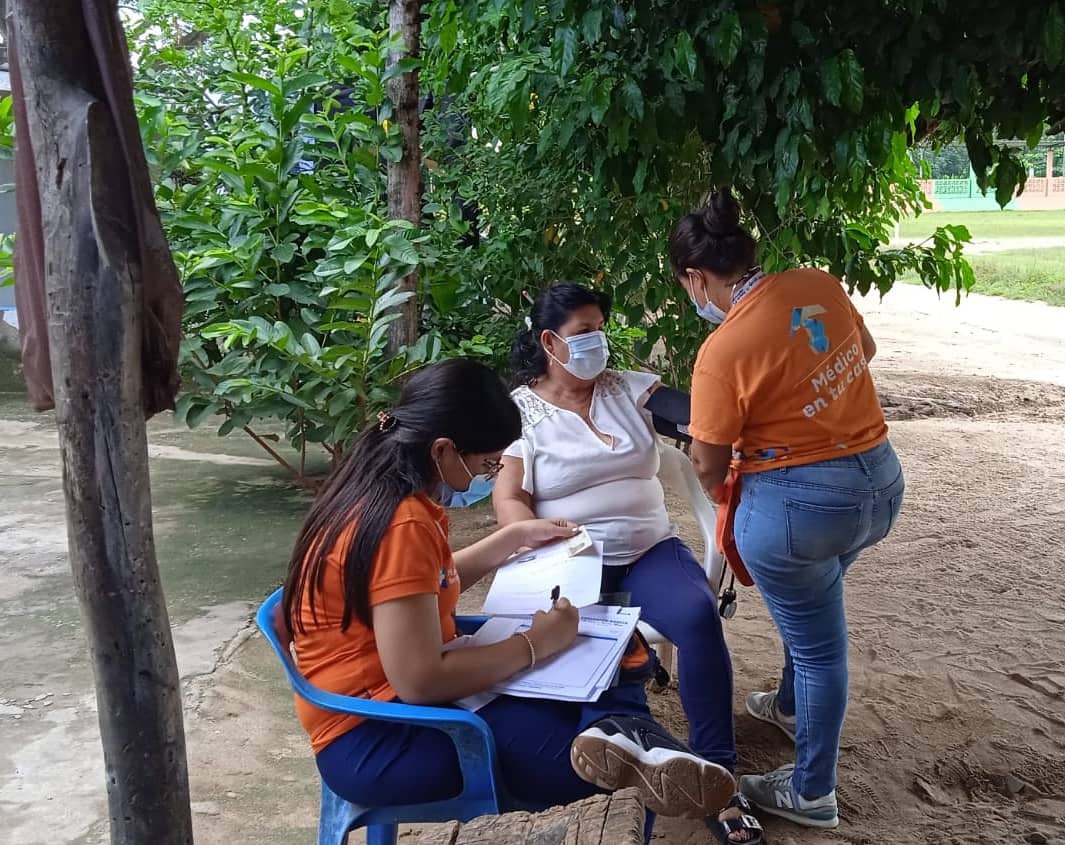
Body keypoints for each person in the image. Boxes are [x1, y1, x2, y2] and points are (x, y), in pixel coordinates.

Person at [282, 358, 737, 835]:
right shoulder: (403, 524)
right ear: (443, 450)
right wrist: (535, 644)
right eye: (486, 464)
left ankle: (630, 738)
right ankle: (637, 746)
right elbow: (419, 681)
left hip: (398, 705)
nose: (488, 474)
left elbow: (415, 588)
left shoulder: (373, 490)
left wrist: (511, 539)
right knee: (606, 764)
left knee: (612, 655)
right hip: (381, 736)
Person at [669, 188, 906, 830]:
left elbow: (709, 465)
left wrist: (735, 483)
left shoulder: (723, 351)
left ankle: (812, 791)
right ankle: (789, 704)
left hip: (802, 513)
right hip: (880, 485)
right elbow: (865, 352)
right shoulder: (816, 284)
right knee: (814, 614)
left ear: (697, 277)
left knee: (822, 649)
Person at [493, 286, 762, 844]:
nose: (597, 343)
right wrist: (531, 538)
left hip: (649, 549)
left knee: (696, 616)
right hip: (570, 558)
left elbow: (695, 416)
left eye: (600, 329)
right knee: (588, 645)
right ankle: (622, 757)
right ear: (549, 342)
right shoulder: (523, 410)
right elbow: (509, 496)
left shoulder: (629, 389)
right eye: (583, 332)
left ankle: (718, 773)